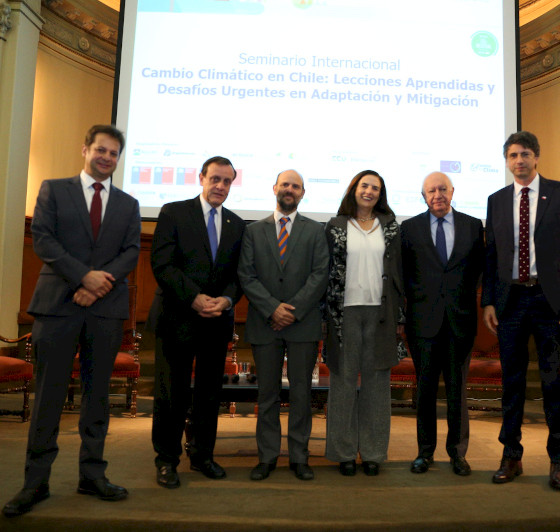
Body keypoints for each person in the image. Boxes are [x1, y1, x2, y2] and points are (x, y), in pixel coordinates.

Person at [2, 125, 141, 518]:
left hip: (104, 310)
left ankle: (92, 475)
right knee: (48, 396)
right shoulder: (53, 189)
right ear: (85, 149)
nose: (106, 158)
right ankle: (35, 482)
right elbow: (43, 239)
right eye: (101, 150)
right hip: (58, 305)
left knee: (97, 397)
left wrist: (98, 286)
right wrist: (84, 276)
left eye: (114, 153)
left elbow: (131, 252)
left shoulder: (129, 204)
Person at [481, 131, 560, 491]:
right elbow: (491, 257)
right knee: (511, 383)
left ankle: (559, 461)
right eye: (512, 155)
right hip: (510, 301)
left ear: (537, 157)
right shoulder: (496, 201)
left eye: (525, 154)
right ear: (507, 161)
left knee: (553, 381)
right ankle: (511, 456)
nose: (519, 161)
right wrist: (489, 301)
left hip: (551, 302)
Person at [149, 156, 246, 489]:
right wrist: (195, 298)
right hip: (177, 317)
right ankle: (166, 460)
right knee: (171, 394)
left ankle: (202, 455)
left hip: (216, 322)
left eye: (227, 181)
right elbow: (162, 264)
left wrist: (227, 299)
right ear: (201, 178)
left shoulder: (236, 224)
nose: (220, 186)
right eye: (215, 179)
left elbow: (238, 275)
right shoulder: (173, 212)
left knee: (208, 394)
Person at [238, 169, 329, 481]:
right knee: (267, 395)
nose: (290, 189)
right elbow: (246, 275)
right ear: (274, 188)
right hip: (265, 323)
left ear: (303, 193)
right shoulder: (253, 231)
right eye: (285, 184)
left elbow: (320, 274)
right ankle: (267, 457)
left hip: (303, 324)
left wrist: (293, 310)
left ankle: (299, 457)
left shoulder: (316, 231)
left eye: (296, 186)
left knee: (302, 394)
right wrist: (272, 309)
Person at [401, 171, 484, 476]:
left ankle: (457, 454)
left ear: (453, 191)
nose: (437, 194)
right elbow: (404, 274)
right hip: (422, 323)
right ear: (423, 196)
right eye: (431, 191)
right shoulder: (409, 229)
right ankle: (425, 453)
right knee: (424, 392)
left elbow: (479, 270)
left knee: (457, 392)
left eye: (442, 189)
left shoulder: (473, 227)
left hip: (460, 321)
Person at [324, 170, 403, 477]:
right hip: (343, 315)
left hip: (381, 315)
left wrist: (400, 317)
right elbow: (326, 272)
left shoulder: (391, 228)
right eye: (365, 185)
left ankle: (372, 452)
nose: (369, 191)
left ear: (380, 194)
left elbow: (399, 275)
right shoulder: (335, 226)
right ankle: (343, 453)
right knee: (343, 384)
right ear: (354, 189)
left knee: (376, 386)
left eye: (376, 188)